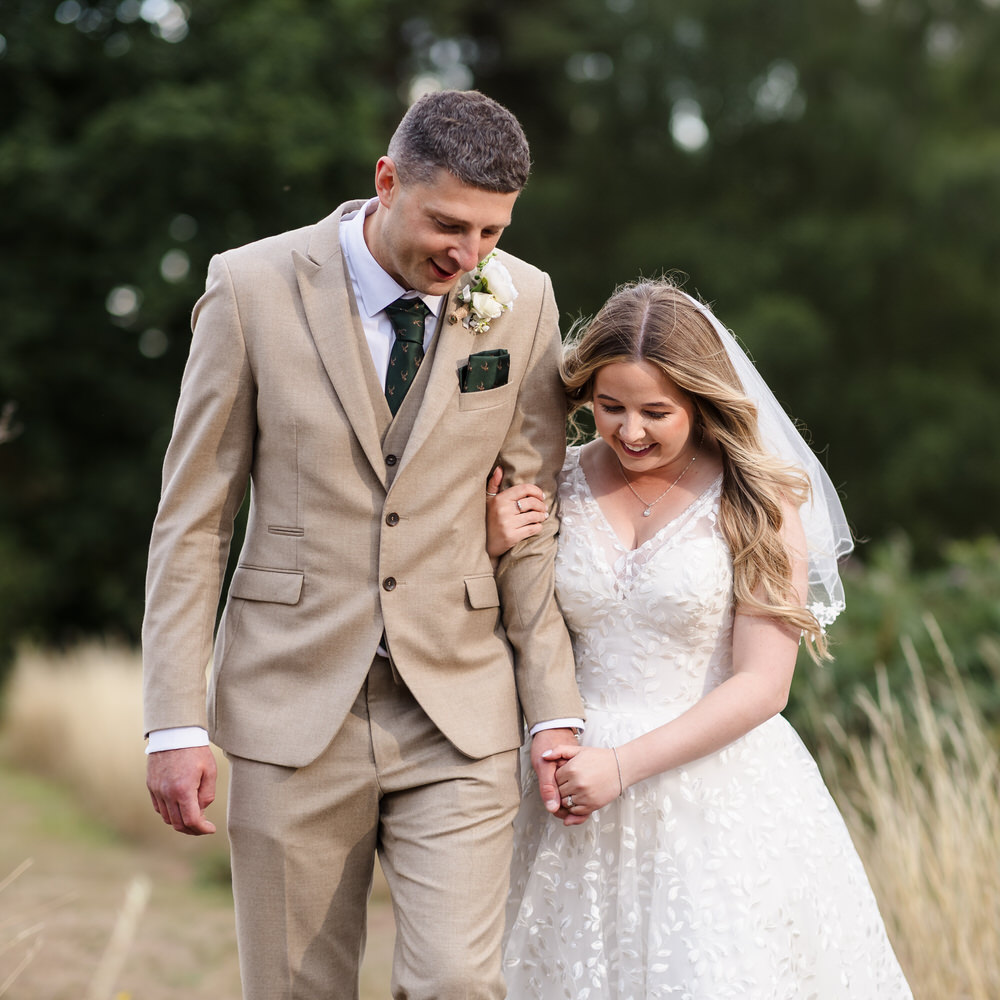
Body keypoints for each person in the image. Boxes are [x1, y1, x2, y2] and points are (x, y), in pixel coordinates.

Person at [141, 89, 585, 1000]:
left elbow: (534, 514)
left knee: (460, 983)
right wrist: (175, 720)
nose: (467, 258)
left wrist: (553, 708)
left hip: (459, 704)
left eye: (492, 234)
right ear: (386, 182)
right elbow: (195, 517)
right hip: (290, 701)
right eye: (447, 225)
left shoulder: (524, 299)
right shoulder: (251, 285)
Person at [489, 279, 913, 997]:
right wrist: (493, 543)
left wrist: (620, 767)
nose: (629, 431)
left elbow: (763, 685)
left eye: (657, 412)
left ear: (701, 400)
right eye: (610, 406)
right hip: (565, 789)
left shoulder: (757, 499)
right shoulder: (556, 482)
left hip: (710, 792)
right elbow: (514, 623)